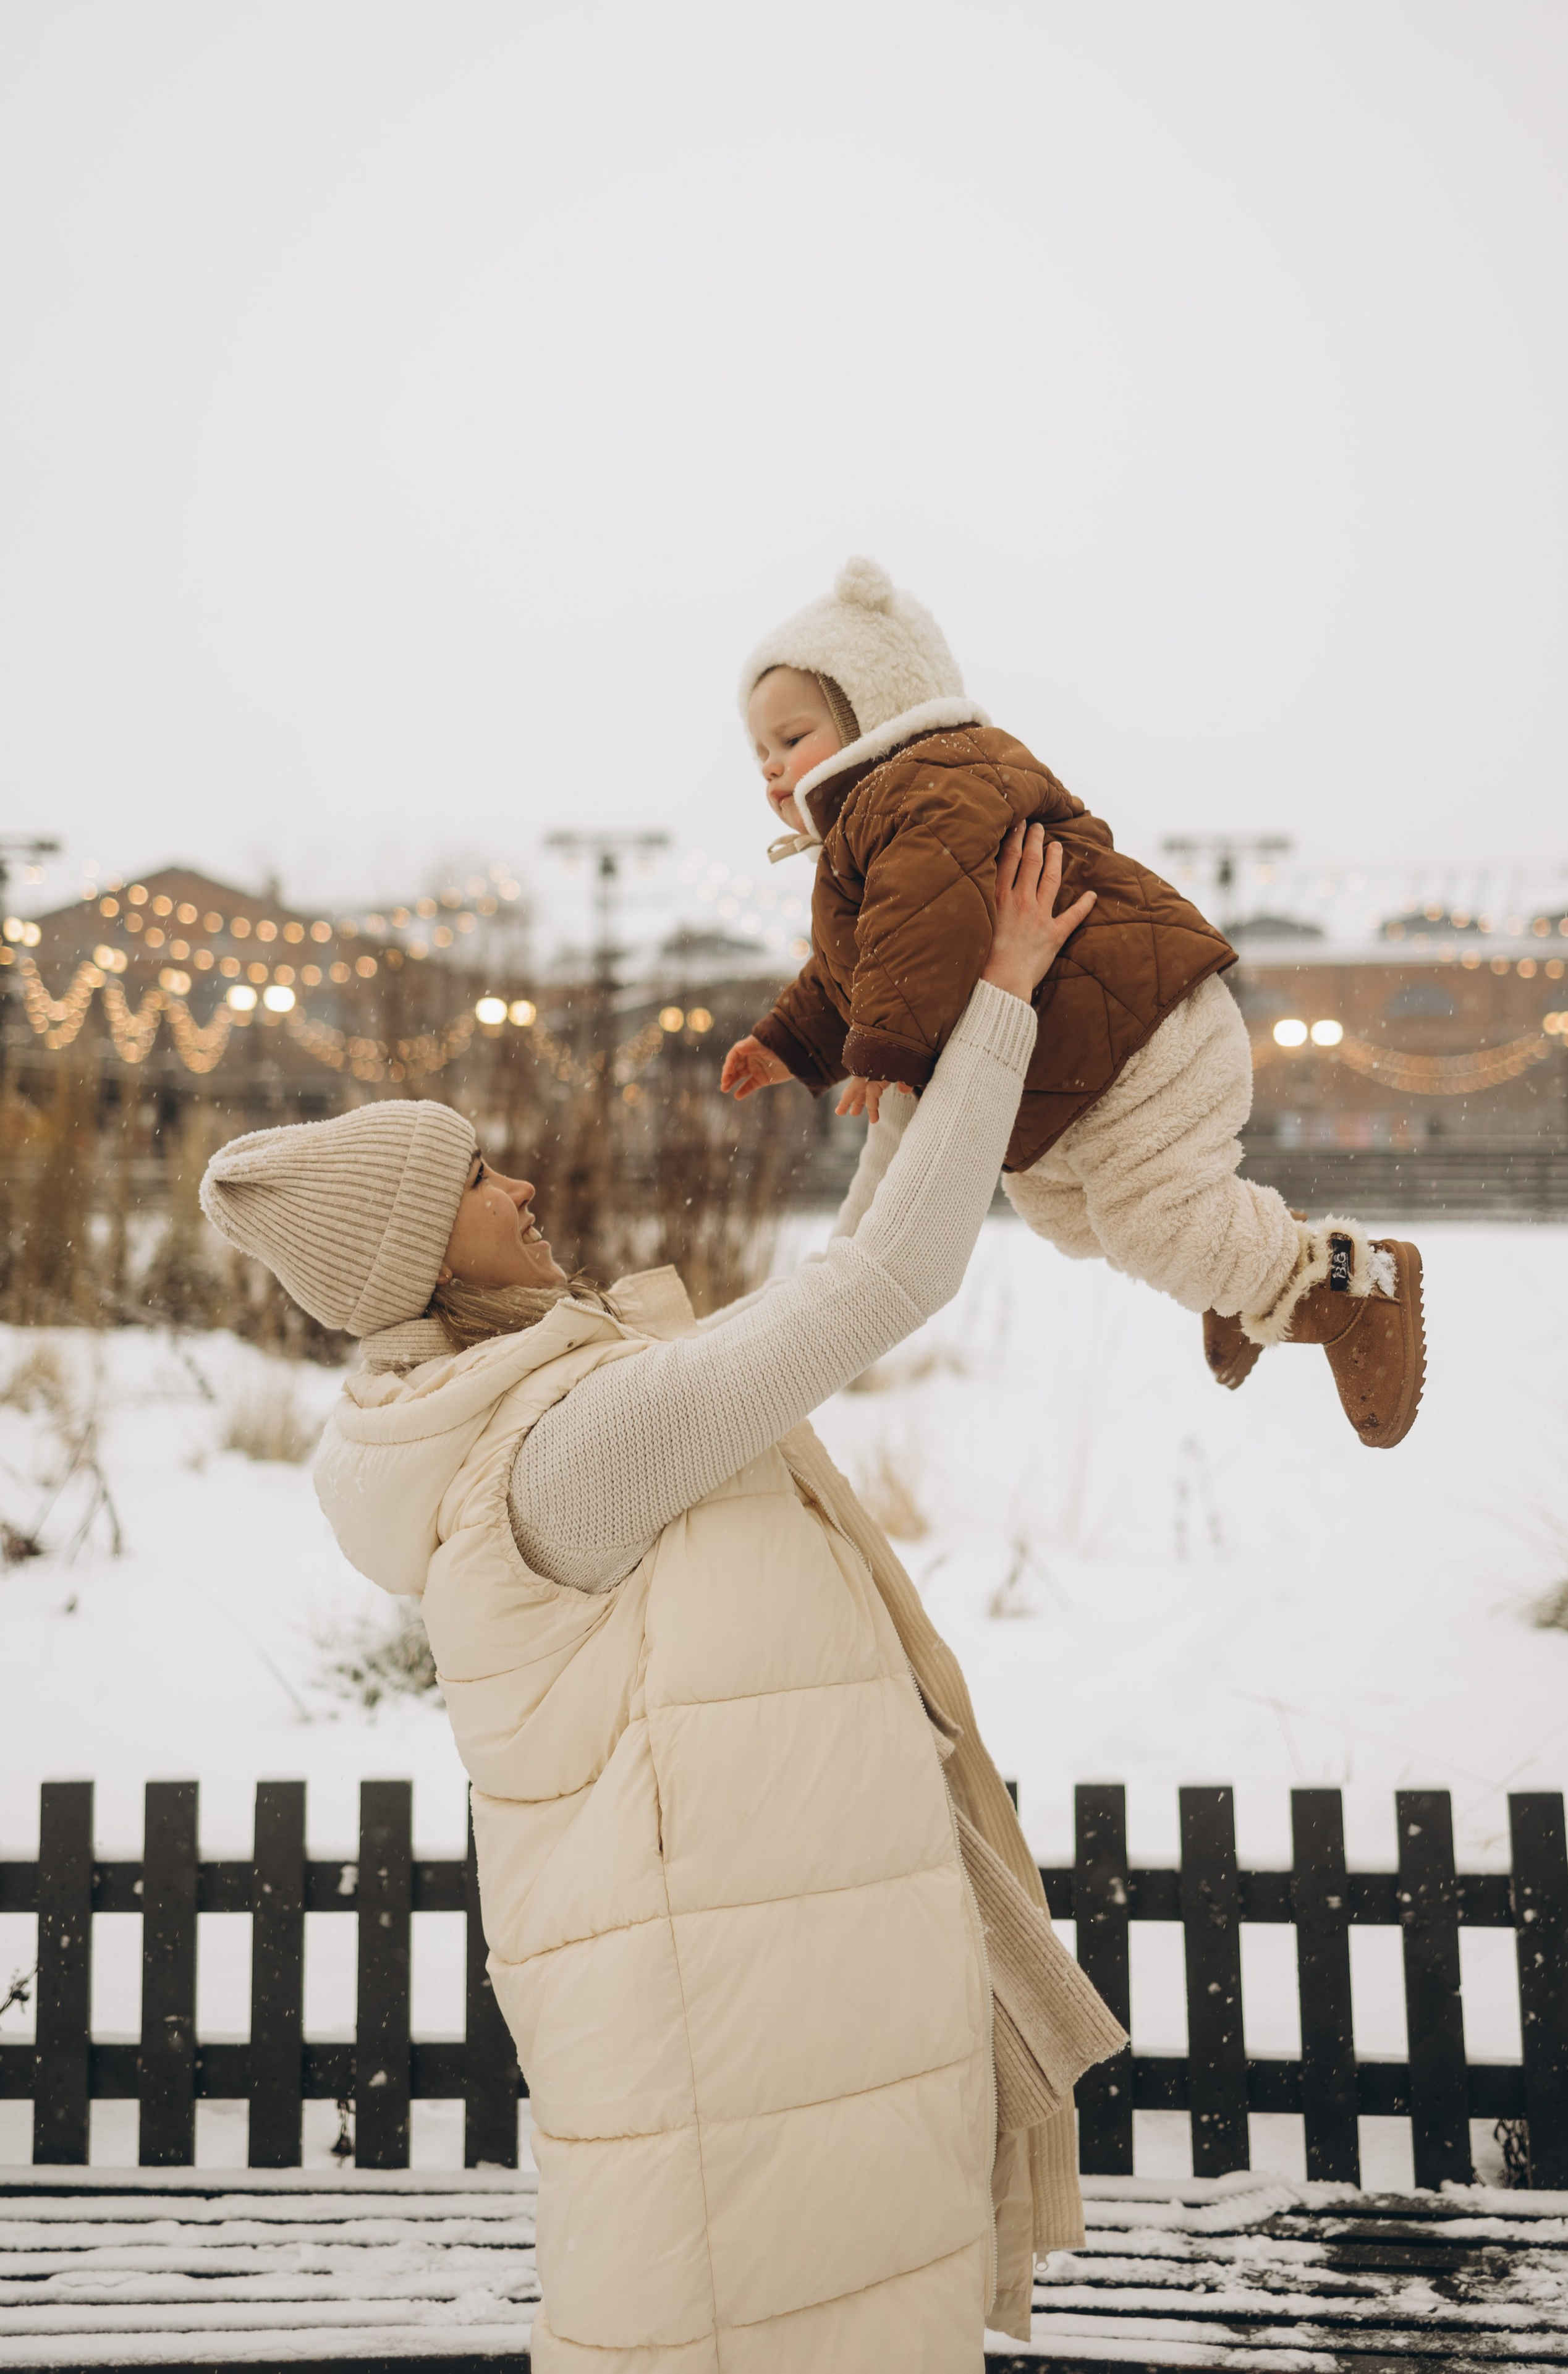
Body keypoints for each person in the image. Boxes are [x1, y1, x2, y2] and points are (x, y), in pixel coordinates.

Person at [200, 824, 1124, 2371]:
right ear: (424, 1251)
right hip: (741, 2061)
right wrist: (1000, 1005)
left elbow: (838, 1273)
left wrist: (905, 1085)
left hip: (764, 2030)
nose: (525, 1183)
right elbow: (878, 1289)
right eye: (481, 1180)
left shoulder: (514, 1429)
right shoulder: (564, 1452)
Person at [722, 557, 1426, 1449]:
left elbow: (920, 935)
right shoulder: (864, 847)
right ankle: (1243, 1262)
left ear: (875, 705)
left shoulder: (924, 787)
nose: (774, 769)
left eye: (792, 737)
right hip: (1083, 1067)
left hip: (1142, 1033)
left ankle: (1351, 1283)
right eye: (760, 755)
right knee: (1064, 1211)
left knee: (1150, 1218)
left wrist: (882, 1053)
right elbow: (847, 971)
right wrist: (790, 1041)